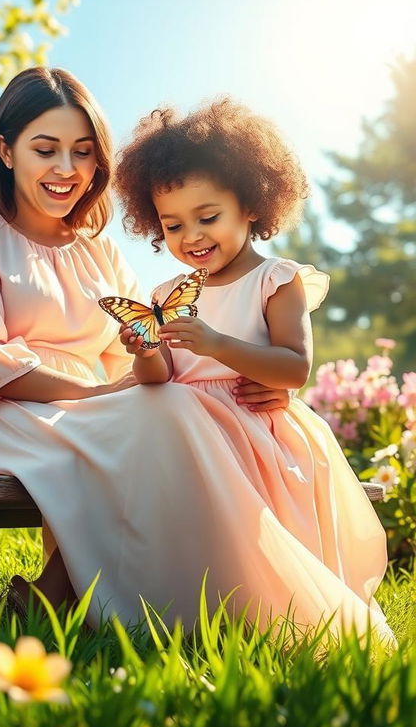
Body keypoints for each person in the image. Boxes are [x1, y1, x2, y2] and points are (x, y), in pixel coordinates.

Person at [0, 67, 296, 628]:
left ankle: (208, 603)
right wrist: (97, 392)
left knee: (178, 411)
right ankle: (87, 601)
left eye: (83, 152)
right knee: (141, 424)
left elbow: (151, 352)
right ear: (6, 150)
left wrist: (249, 381)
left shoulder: (98, 251)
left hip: (84, 409)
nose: (66, 169)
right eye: (46, 149)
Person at [113, 98, 395, 644]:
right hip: (186, 429)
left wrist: (218, 344)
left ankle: (266, 612)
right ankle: (174, 606)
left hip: (252, 427)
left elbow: (295, 368)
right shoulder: (166, 294)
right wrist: (144, 351)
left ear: (251, 204)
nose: (191, 236)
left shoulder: (276, 280)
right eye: (172, 225)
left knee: (259, 553)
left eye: (207, 217)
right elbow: (158, 379)